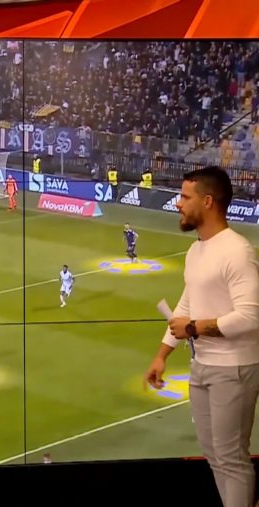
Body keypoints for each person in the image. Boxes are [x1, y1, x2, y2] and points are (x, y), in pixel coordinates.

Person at [144, 166, 259, 507]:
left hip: (234, 368)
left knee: (230, 457)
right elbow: (186, 304)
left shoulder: (237, 251)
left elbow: (251, 316)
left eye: (185, 197)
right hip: (203, 365)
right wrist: (162, 354)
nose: (178, 203)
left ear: (207, 202)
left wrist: (194, 328)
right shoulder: (197, 250)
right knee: (215, 455)